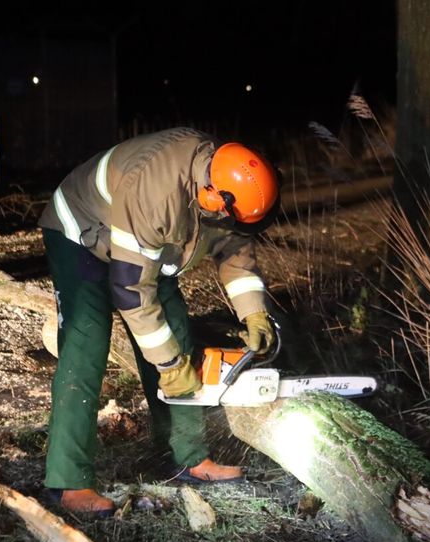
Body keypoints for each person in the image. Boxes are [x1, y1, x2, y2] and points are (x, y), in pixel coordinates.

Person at [35, 127, 279, 516]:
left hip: (144, 243)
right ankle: (68, 482)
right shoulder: (157, 189)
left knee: (178, 337)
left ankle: (188, 458)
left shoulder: (223, 183)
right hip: (81, 229)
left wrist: (254, 311)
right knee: (86, 342)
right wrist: (167, 364)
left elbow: (235, 248)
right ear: (212, 196)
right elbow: (132, 292)